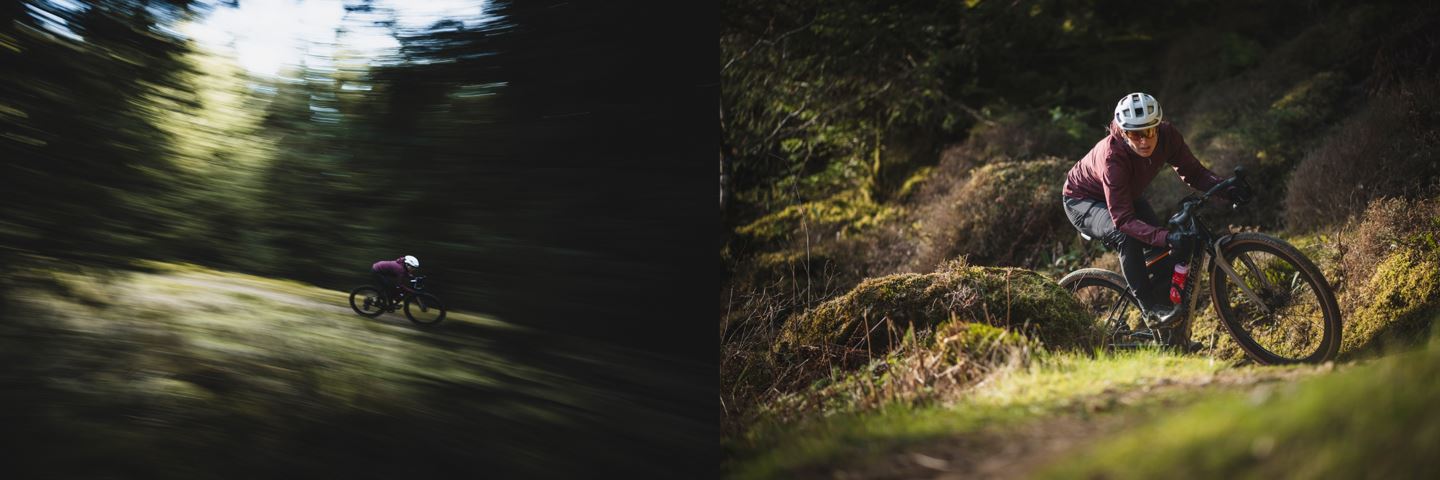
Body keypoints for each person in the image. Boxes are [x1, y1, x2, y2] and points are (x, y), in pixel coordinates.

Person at [1061, 92, 1248, 328]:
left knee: (1164, 259)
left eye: (1149, 131)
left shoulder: (1168, 136)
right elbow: (1123, 220)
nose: (1143, 141)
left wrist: (1225, 188)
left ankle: (1171, 337)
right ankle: (1150, 311)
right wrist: (1167, 236)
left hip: (1123, 195)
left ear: (1158, 127)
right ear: (1123, 132)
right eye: (1134, 134)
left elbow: (1195, 173)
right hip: (1082, 201)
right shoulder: (1112, 158)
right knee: (1126, 237)